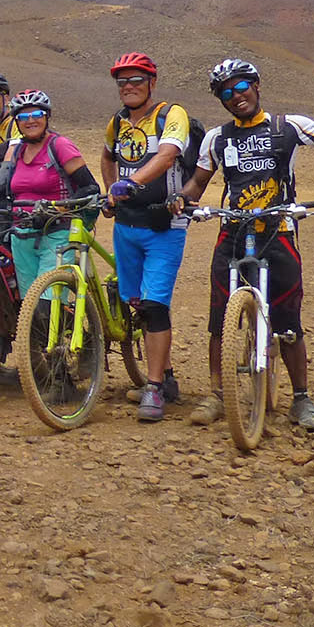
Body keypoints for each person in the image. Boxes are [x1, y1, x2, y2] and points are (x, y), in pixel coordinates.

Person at [173, 58, 314, 433]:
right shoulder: (217, 137)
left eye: (241, 87)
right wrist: (183, 198)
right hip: (233, 231)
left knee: (288, 320)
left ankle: (301, 399)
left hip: (279, 231)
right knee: (218, 319)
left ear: (257, 86)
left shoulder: (288, 126)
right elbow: (198, 181)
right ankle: (216, 394)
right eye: (225, 92)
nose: (235, 96)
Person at [101, 52, 192, 421]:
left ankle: (153, 389)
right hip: (126, 225)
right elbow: (107, 156)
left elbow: (169, 155)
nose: (129, 87)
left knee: (155, 304)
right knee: (137, 305)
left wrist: (131, 182)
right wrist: (111, 189)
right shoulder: (118, 122)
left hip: (163, 226)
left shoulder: (171, 115)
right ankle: (166, 377)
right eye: (123, 82)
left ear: (152, 83)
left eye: (137, 80)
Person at [0, 88, 100, 301]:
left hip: (56, 233)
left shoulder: (59, 146)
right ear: (16, 122)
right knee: (29, 308)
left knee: (47, 305)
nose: (30, 121)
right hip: (22, 235)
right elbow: (3, 182)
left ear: (47, 116)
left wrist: (56, 209)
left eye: (37, 115)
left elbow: (89, 188)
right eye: (23, 116)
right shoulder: (17, 152)